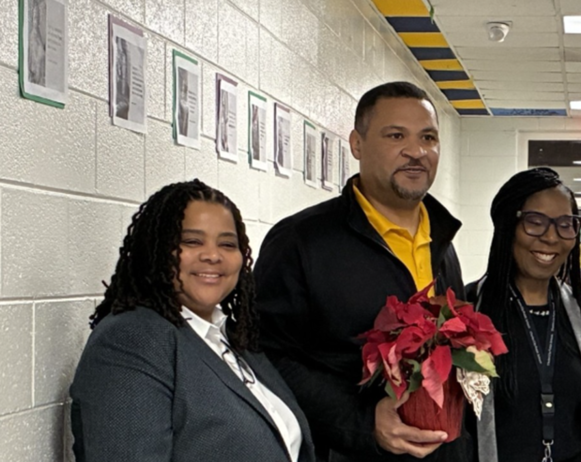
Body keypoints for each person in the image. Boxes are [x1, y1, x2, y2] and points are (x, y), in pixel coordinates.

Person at [254, 81, 470, 462]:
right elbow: (265, 358)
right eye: (396, 135)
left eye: (428, 138)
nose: (416, 151)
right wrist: (363, 422)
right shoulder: (302, 241)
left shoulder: (442, 241)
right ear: (357, 144)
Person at [70, 179, 315, 462]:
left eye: (227, 244)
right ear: (157, 249)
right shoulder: (132, 340)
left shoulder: (231, 338)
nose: (212, 255)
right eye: (192, 241)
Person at [466, 167, 581, 462]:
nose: (551, 237)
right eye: (535, 223)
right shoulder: (469, 309)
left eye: (565, 224)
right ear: (508, 227)